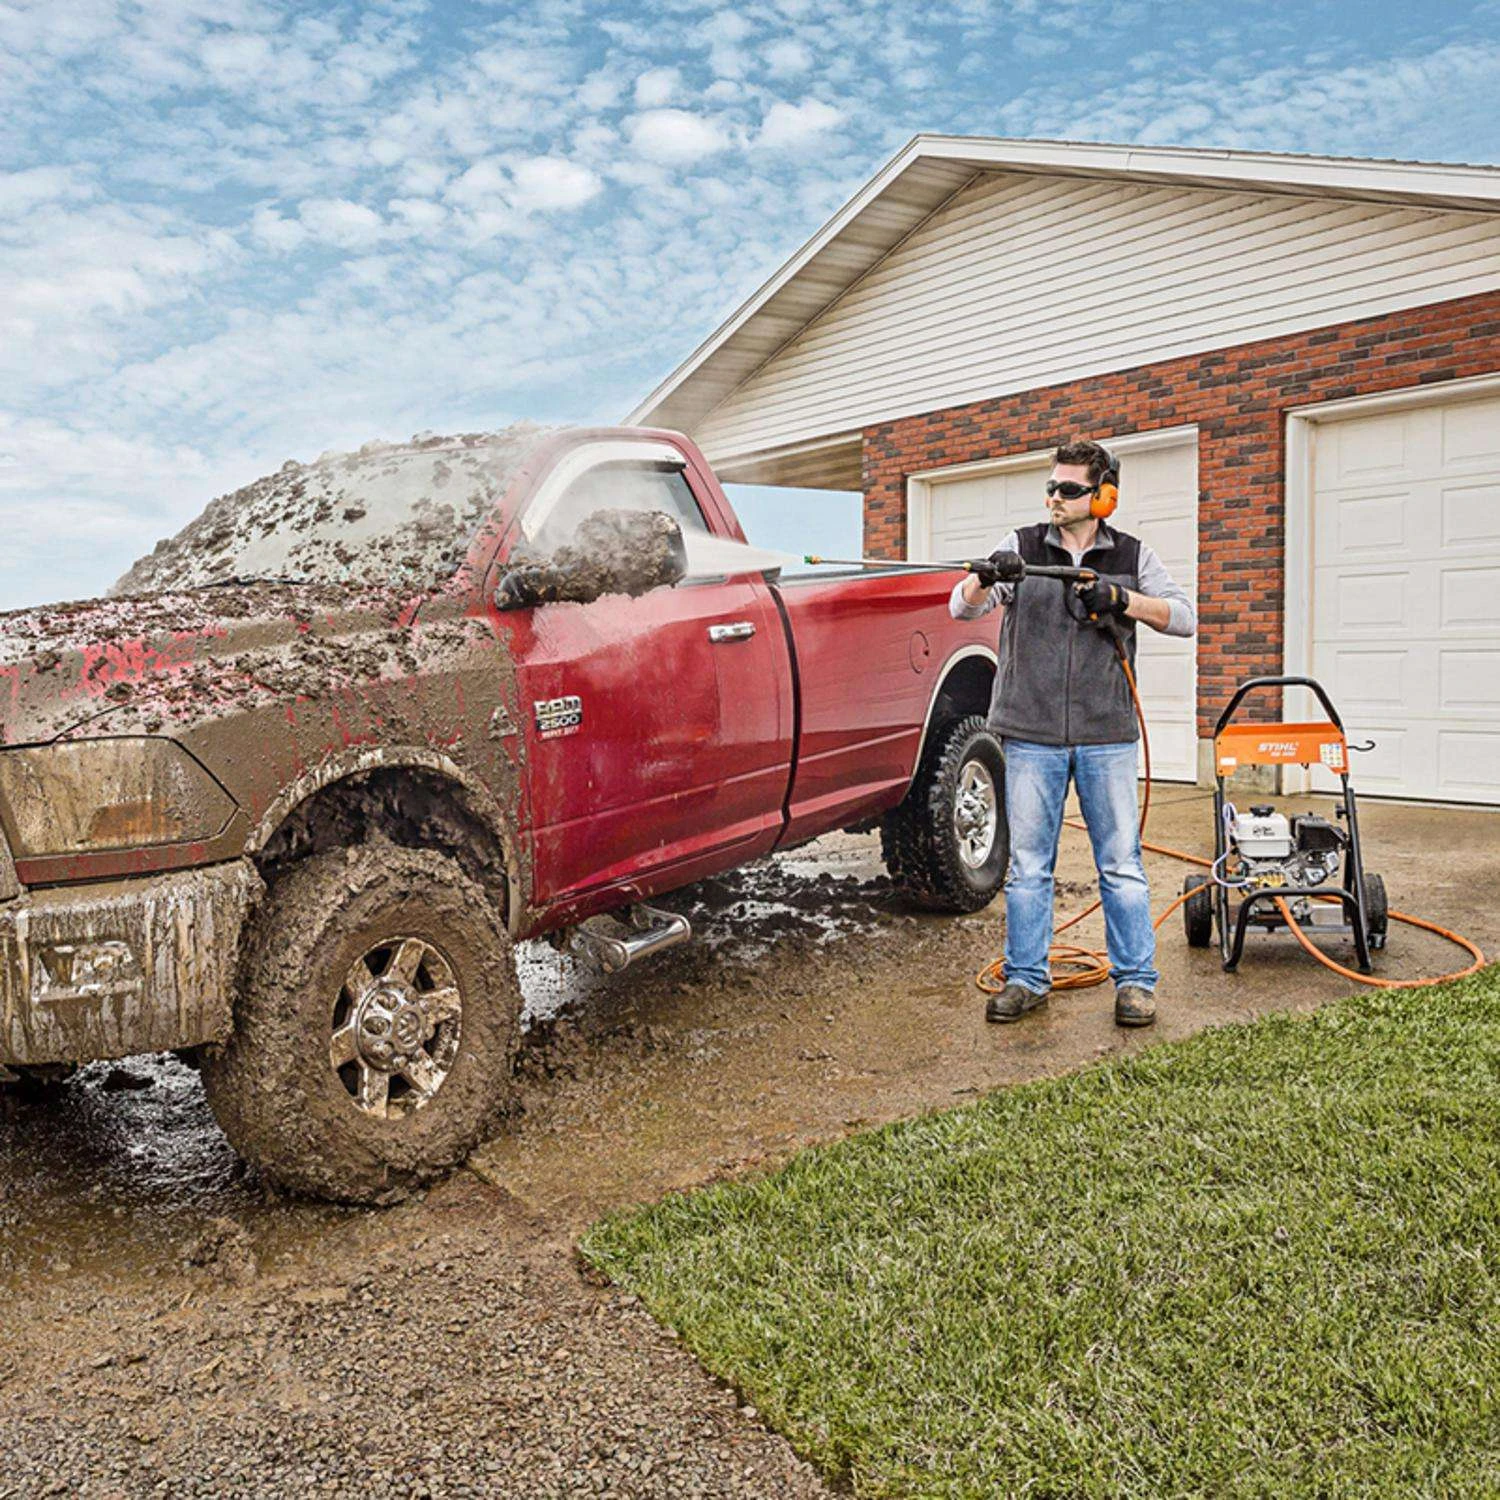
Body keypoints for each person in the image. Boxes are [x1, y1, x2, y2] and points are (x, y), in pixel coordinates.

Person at [950, 439, 1196, 1028]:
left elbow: (1184, 617)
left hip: (1106, 735)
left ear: (1103, 495)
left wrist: (1123, 599)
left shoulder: (1133, 554)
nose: (1055, 497)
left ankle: (1136, 983)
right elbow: (961, 607)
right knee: (1029, 867)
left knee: (1121, 865)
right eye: (1051, 487)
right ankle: (1026, 978)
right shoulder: (1022, 547)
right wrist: (986, 580)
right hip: (1030, 733)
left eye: (1069, 489)